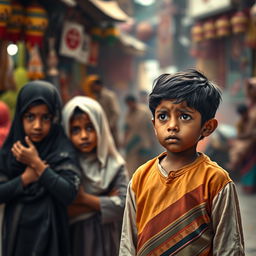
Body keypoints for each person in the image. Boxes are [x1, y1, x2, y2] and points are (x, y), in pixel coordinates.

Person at [119, 69, 245, 255]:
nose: (172, 126)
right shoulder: (141, 177)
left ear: (207, 127)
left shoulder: (215, 181)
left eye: (184, 116)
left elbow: (229, 247)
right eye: (163, 116)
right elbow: (128, 242)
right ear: (154, 124)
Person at [0, 80, 80, 256]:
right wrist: (25, 179)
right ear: (20, 117)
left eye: (45, 118)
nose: (37, 125)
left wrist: (37, 164)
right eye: (30, 117)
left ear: (55, 118)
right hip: (17, 234)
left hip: (52, 236)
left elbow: (68, 193)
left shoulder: (61, 148)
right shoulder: (10, 151)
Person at [62, 96, 128, 256]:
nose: (84, 135)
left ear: (101, 128)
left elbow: (123, 206)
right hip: (75, 239)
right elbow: (60, 210)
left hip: (108, 239)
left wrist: (84, 199)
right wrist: (104, 200)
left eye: (90, 127)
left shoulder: (115, 165)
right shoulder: (65, 166)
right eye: (76, 129)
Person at [123, 94, 162, 178]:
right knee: (132, 164)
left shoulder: (144, 111)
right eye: (128, 104)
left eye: (131, 103)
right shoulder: (128, 114)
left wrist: (153, 138)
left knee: (145, 163)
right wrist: (125, 140)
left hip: (144, 141)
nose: (130, 106)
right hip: (132, 142)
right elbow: (127, 128)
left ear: (134, 102)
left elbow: (151, 125)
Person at [228, 78, 256, 193]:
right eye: (249, 89)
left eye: (252, 89)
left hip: (252, 138)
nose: (249, 92)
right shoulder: (249, 106)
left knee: (241, 151)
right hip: (247, 137)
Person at [84, 75, 121, 148]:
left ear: (99, 85)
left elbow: (116, 112)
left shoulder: (109, 96)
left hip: (110, 130)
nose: (92, 88)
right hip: (100, 129)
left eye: (93, 86)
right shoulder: (94, 97)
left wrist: (110, 125)